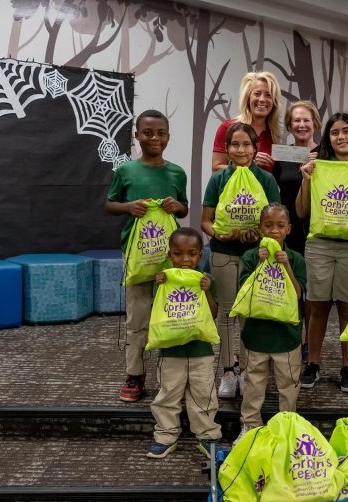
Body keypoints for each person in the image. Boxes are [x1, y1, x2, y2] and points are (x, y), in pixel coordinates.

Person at [105, 109, 188, 403]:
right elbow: (109, 204)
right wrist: (129, 207)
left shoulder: (177, 172)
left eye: (161, 133)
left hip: (173, 255)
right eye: (148, 133)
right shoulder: (126, 170)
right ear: (137, 135)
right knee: (137, 317)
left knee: (173, 313)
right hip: (137, 253)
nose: (155, 138)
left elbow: (185, 209)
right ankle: (135, 374)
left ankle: (173, 375)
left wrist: (176, 206)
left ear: (168, 136)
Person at [296, 112, 348, 392]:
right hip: (319, 244)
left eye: (346, 131)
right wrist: (306, 179)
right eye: (334, 132)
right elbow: (301, 211)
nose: (341, 137)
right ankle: (314, 363)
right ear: (327, 138)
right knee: (317, 305)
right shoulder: (317, 166)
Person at [201, 123, 281, 400]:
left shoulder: (266, 180)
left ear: (255, 148)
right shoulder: (219, 179)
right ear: (227, 149)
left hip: (255, 256)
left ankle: (247, 371)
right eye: (234, 144)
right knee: (226, 311)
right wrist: (221, 233)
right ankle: (227, 371)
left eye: (246, 144)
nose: (241, 150)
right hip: (223, 251)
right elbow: (206, 222)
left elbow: (276, 223)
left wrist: (259, 234)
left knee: (249, 311)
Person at [147, 228, 223, 458]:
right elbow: (157, 311)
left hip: (201, 351)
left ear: (201, 256)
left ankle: (207, 435)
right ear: (170, 255)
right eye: (178, 254)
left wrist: (207, 291)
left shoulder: (207, 281)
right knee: (168, 393)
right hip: (170, 352)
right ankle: (165, 435)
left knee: (204, 394)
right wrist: (159, 283)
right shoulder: (163, 279)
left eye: (192, 254)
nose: (185, 260)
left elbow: (214, 313)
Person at [235, 203, 306, 443]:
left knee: (288, 384)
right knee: (254, 383)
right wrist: (260, 263)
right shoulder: (250, 256)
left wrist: (285, 265)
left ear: (288, 229)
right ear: (260, 229)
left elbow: (297, 294)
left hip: (287, 337)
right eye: (268, 225)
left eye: (280, 226)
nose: (274, 231)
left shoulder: (295, 258)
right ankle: (250, 425)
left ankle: (287, 426)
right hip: (257, 335)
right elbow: (245, 292)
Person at [272, 100, 321, 255]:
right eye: (296, 120)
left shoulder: (325, 156)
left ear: (315, 124)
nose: (302, 125)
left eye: (306, 120)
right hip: (287, 229)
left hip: (317, 230)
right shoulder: (281, 156)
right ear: (289, 125)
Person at [211, 71, 281, 173]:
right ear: (248, 98)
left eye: (268, 95)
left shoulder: (273, 136)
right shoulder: (228, 128)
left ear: (274, 101)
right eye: (257, 94)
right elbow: (216, 168)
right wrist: (249, 164)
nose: (262, 99)